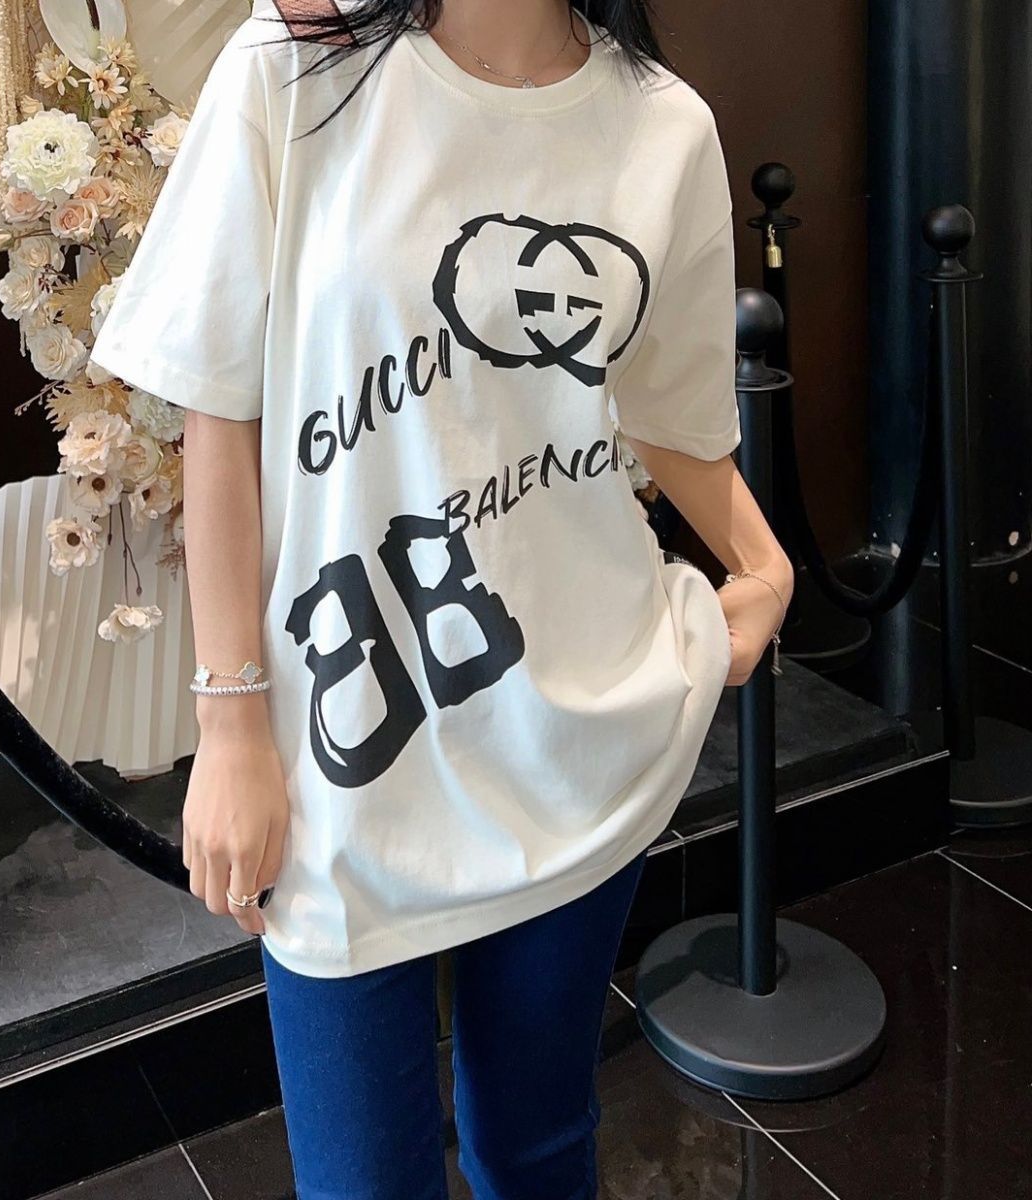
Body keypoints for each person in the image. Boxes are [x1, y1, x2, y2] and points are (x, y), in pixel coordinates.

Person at [89, 0, 795, 1194]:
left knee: (541, 1147)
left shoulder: (664, 125)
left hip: (575, 721)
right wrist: (231, 721)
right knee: (362, 1179)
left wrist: (764, 563)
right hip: (351, 742)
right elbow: (221, 413)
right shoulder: (295, 72)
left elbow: (669, 410)